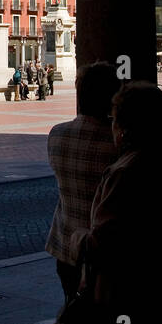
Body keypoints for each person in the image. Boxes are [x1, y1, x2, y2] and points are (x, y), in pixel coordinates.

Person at [69, 82, 162, 324]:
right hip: (159, 290)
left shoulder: (126, 171)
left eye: (114, 119)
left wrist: (76, 239)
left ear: (123, 126)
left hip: (122, 297)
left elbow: (105, 243)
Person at [46, 61, 122, 302]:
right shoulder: (118, 144)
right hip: (105, 250)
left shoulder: (56, 134)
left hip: (66, 245)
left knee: (73, 309)